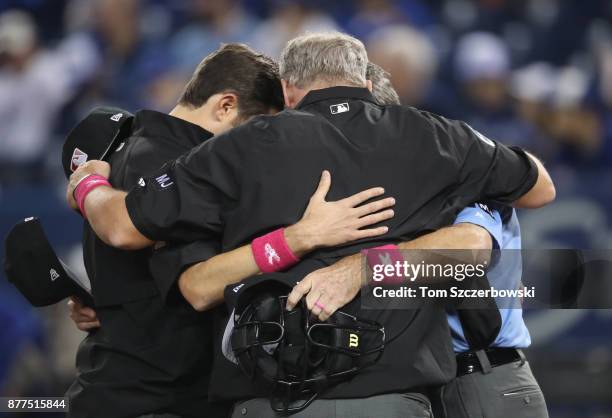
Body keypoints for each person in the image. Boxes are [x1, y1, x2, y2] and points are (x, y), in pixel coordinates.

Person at [66, 32, 555, 416]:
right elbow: (540, 187)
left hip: (460, 380)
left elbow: (472, 247)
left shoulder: (248, 146)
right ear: (364, 85)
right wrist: (299, 238)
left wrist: (87, 182)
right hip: (398, 392)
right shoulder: (438, 140)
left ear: (289, 93)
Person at [64, 43, 395, 418]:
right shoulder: (171, 164)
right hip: (154, 397)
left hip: (139, 385)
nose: (264, 145)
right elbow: (195, 284)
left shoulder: (135, 152)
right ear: (225, 106)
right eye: (259, 128)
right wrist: (300, 237)